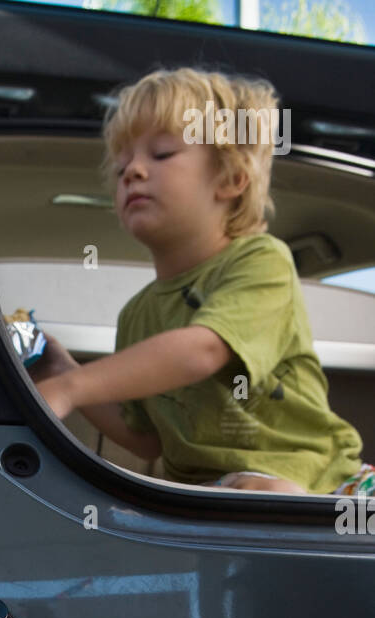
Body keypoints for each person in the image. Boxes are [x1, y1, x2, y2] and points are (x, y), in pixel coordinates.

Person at [31, 65, 371, 496]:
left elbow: (203, 350)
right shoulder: (137, 315)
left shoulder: (260, 261)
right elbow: (147, 437)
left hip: (329, 489)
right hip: (215, 497)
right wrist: (64, 369)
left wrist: (72, 387)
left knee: (277, 498)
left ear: (230, 179)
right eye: (120, 168)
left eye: (162, 154)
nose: (133, 170)